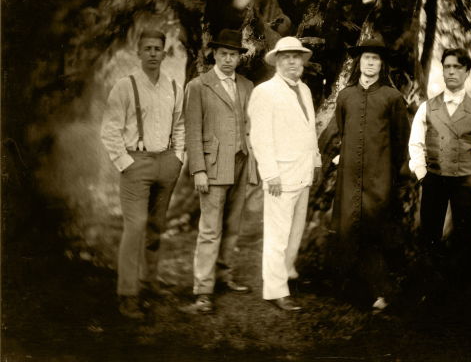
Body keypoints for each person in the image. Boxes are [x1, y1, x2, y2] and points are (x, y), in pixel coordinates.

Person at [101, 29, 185, 319]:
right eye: (147, 48)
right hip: (135, 162)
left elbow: (180, 125)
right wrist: (125, 163)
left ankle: (150, 281)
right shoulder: (124, 87)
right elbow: (109, 130)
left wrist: (178, 157)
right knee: (135, 227)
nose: (152, 53)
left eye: (157, 49)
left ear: (164, 53)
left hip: (166, 162)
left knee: (156, 226)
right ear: (138, 52)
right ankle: (128, 294)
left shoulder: (173, 87)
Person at [331, 32, 410, 311]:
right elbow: (341, 131)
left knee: (375, 232)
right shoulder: (345, 96)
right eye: (366, 58)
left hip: (380, 179)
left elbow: (401, 141)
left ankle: (381, 291)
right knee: (347, 230)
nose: (370, 63)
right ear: (359, 62)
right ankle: (351, 291)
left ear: (382, 64)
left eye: (375, 59)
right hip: (349, 178)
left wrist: (395, 175)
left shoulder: (393, 97)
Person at [183, 29, 258, 314]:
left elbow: (251, 125)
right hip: (213, 165)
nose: (228, 59)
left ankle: (224, 276)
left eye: (233, 54)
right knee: (210, 229)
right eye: (224, 54)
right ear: (214, 54)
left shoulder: (247, 85)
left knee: (232, 225)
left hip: (241, 161)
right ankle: (203, 290)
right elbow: (192, 131)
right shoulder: (198, 86)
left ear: (239, 58)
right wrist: (198, 170)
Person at [248, 36, 321, 312]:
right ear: (277, 61)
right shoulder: (265, 92)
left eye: (296, 57)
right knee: (277, 234)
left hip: (302, 171)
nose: (292, 62)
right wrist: (270, 174)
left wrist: (315, 162)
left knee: (295, 230)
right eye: (286, 57)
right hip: (280, 173)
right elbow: (260, 137)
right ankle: (275, 290)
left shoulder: (304, 90)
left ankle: (287, 274)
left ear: (302, 61)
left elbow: (310, 130)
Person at [408, 48, 471, 277]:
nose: (451, 72)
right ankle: (430, 283)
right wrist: (421, 173)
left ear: (467, 72)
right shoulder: (427, 107)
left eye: (457, 67)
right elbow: (415, 143)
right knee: (430, 236)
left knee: (466, 238)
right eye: (447, 67)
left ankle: (461, 285)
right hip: (433, 180)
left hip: (464, 182)